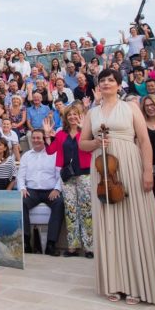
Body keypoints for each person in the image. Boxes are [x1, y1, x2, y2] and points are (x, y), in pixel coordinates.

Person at [80, 69, 155, 305]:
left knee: (136, 220)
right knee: (108, 223)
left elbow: (143, 140)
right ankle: (115, 282)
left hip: (129, 164)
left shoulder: (131, 107)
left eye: (111, 80)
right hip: (103, 169)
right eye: (102, 81)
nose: (106, 83)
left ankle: (138, 284)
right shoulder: (92, 113)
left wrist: (147, 170)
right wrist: (95, 142)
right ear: (98, 86)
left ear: (119, 84)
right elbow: (82, 143)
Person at [43, 103, 92, 258]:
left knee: (86, 210)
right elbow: (51, 151)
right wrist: (46, 135)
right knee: (71, 210)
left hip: (84, 174)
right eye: (69, 115)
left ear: (80, 115)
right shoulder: (60, 134)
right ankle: (72, 247)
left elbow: (91, 147)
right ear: (65, 118)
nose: (72, 117)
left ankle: (89, 247)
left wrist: (84, 129)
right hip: (67, 176)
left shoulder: (86, 132)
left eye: (75, 114)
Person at [17, 128, 64, 256]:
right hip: (32, 191)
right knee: (21, 202)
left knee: (59, 203)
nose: (35, 140)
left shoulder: (53, 154)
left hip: (50, 191)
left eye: (38, 138)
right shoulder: (26, 155)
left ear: (44, 139)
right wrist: (22, 188)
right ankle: (26, 242)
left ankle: (51, 244)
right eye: (33, 138)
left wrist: (56, 189)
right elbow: (20, 175)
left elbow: (60, 174)